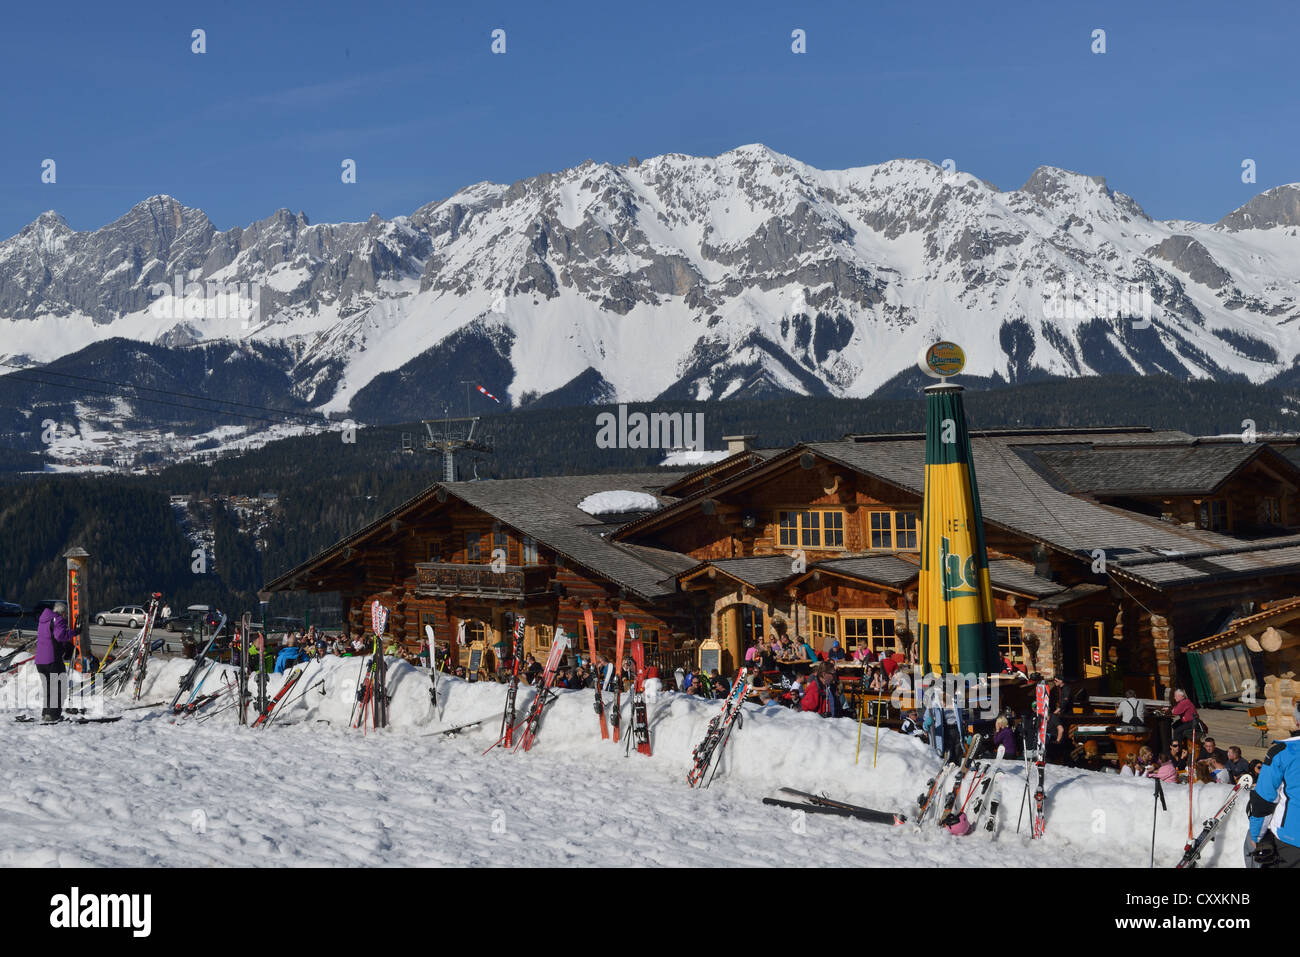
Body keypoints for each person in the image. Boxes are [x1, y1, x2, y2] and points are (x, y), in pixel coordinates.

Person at [1247, 704, 1300, 868]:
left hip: (1291, 840)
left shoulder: (1283, 752)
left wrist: (1256, 837)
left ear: (1297, 721)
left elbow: (1264, 801)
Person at [35, 601, 74, 722]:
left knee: (48, 688)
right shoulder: (58, 619)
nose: (66, 617)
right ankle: (53, 715)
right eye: (66, 614)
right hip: (52, 660)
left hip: (40, 661)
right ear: (62, 613)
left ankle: (46, 713)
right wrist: (75, 632)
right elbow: (60, 636)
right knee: (58, 687)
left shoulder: (44, 620)